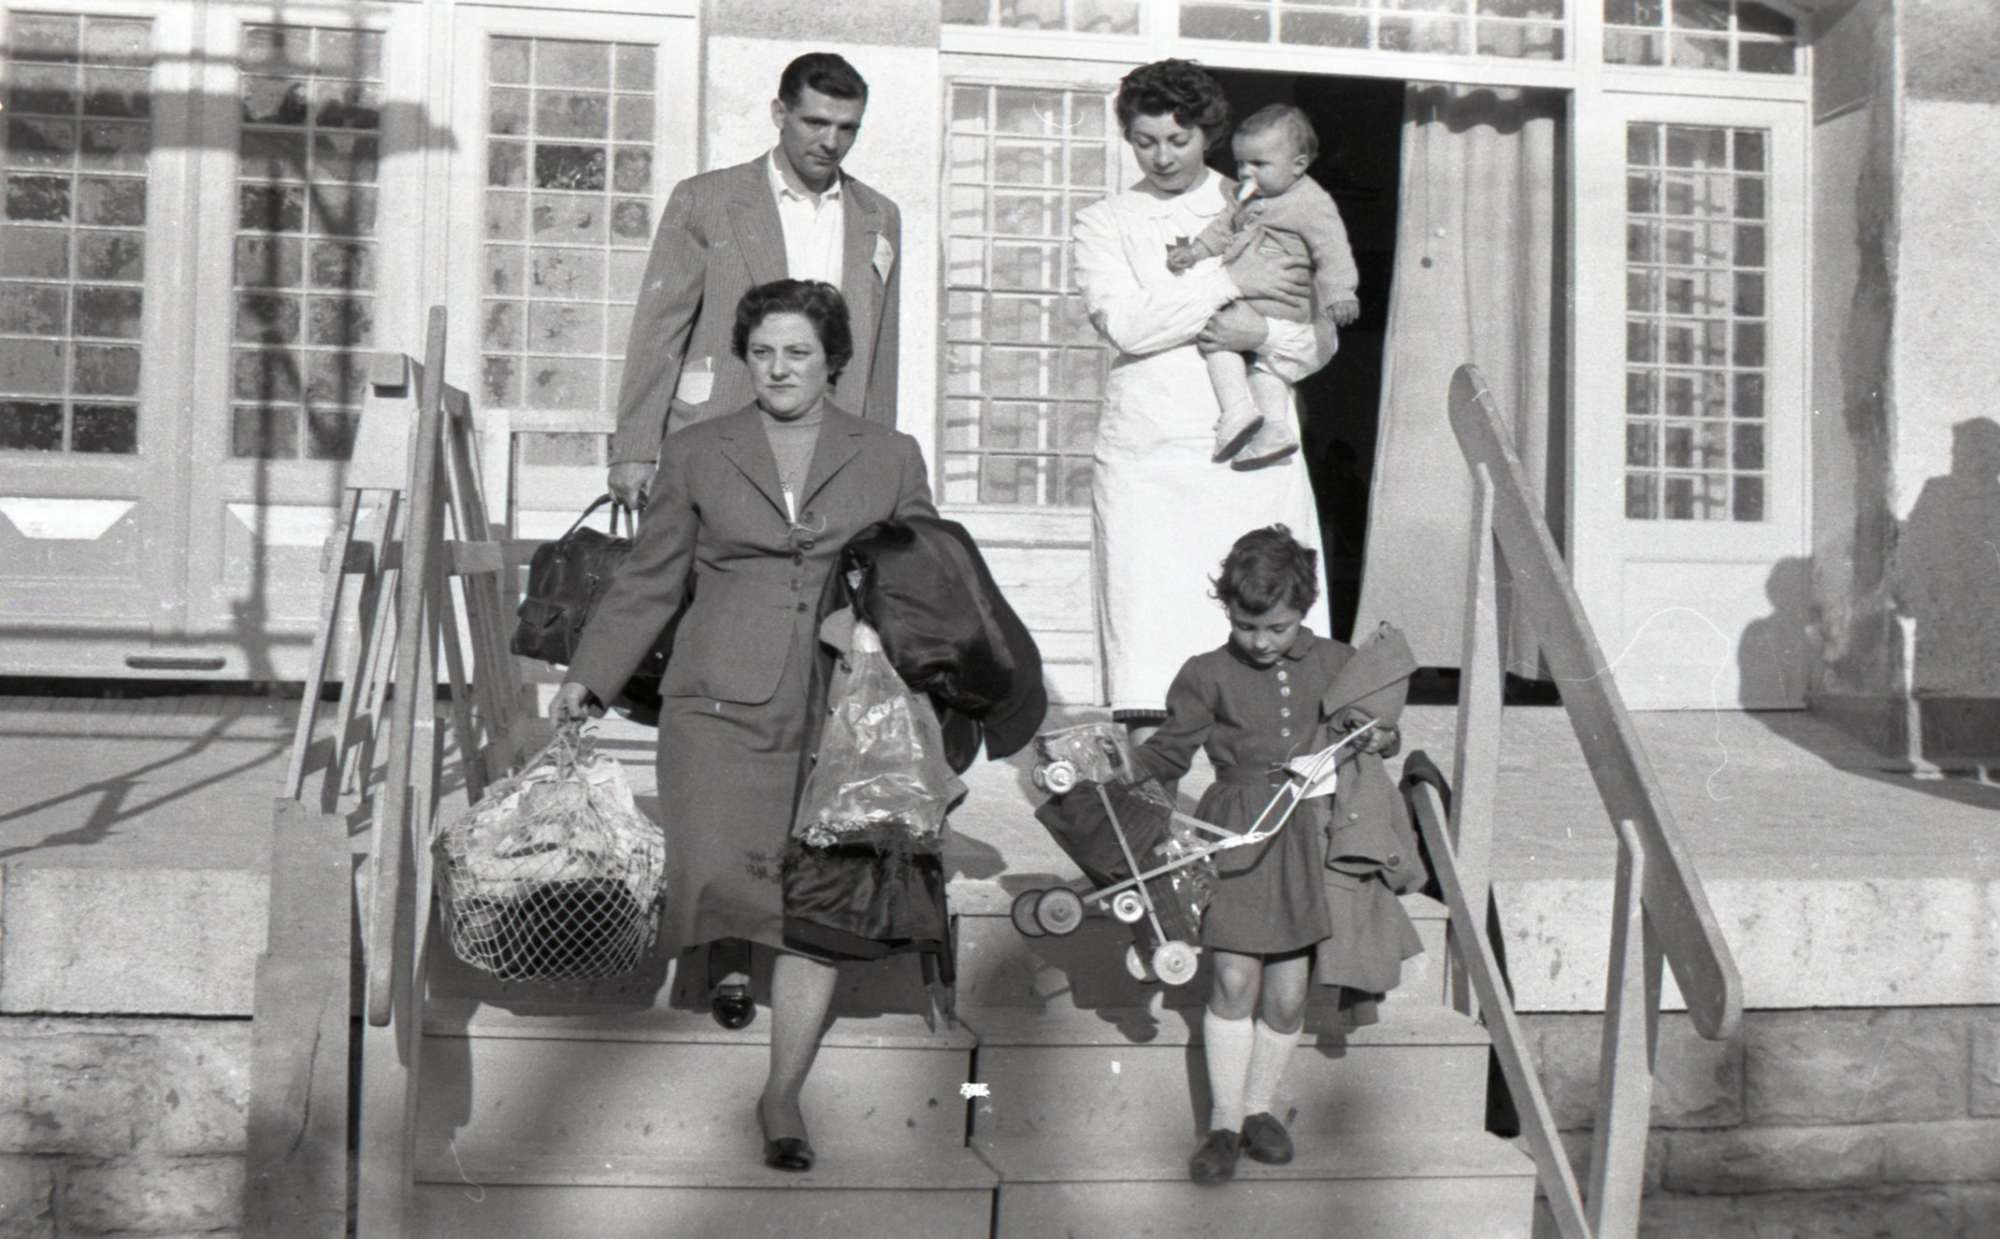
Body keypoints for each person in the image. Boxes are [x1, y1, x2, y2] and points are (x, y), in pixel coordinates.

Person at [552, 280, 935, 1173]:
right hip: (718, 694)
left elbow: (928, 576)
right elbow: (650, 578)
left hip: (840, 702)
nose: (779, 369)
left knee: (820, 897)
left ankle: (782, 1092)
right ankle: (725, 954)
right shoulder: (697, 450)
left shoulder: (891, 455)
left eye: (798, 352)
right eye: (762, 353)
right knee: (723, 860)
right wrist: (589, 678)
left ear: (833, 361)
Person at [1127, 526, 1402, 1185]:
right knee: (1232, 980)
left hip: (1311, 834)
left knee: (1288, 993)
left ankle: (1259, 1109)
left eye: (1276, 627)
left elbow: (1378, 733)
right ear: (1228, 610)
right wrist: (1122, 778)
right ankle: (1224, 1123)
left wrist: (1382, 737)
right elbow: (1166, 756)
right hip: (1235, 835)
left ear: (1303, 609)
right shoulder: (1205, 673)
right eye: (1245, 626)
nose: (1259, 641)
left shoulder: (1338, 661)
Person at [1071, 58, 1333, 747]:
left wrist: (1260, 333)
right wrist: (1229, 281)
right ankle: (1153, 808)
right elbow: (1130, 327)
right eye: (1145, 140)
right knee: (1149, 643)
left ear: (1210, 134)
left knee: (1266, 626)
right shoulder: (1104, 222)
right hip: (1149, 458)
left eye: (1178, 139)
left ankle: (1265, 803)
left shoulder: (1272, 203)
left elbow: (1314, 342)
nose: (1161, 156)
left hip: (1253, 459)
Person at [605, 51, 902, 510]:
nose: (831, 142)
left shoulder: (878, 215)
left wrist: (879, 456)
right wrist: (635, 449)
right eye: (815, 123)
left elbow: (881, 350)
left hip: (830, 446)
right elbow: (659, 328)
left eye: (847, 128)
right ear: (779, 114)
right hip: (720, 429)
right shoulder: (706, 199)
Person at [1167, 103, 1361, 469]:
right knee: (1267, 368)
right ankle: (1275, 428)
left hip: (1279, 295)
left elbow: (1331, 248)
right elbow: (1223, 228)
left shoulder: (1311, 202)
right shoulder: (1247, 194)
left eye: (1259, 164)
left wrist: (1340, 292)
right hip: (1256, 297)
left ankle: (1236, 411)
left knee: (1216, 338)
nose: (1246, 173)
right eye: (1241, 163)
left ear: (1298, 165)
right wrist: (1195, 251)